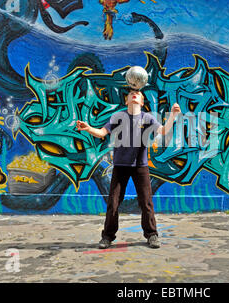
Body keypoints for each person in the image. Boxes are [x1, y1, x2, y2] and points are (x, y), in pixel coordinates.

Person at [76, 66, 181, 249]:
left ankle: (152, 235)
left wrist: (172, 115)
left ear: (142, 101)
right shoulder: (117, 116)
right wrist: (88, 128)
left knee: (146, 202)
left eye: (137, 94)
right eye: (131, 94)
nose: (134, 95)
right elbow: (102, 132)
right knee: (113, 203)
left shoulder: (147, 118)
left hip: (140, 166)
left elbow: (163, 131)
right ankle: (107, 237)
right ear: (126, 100)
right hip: (120, 165)